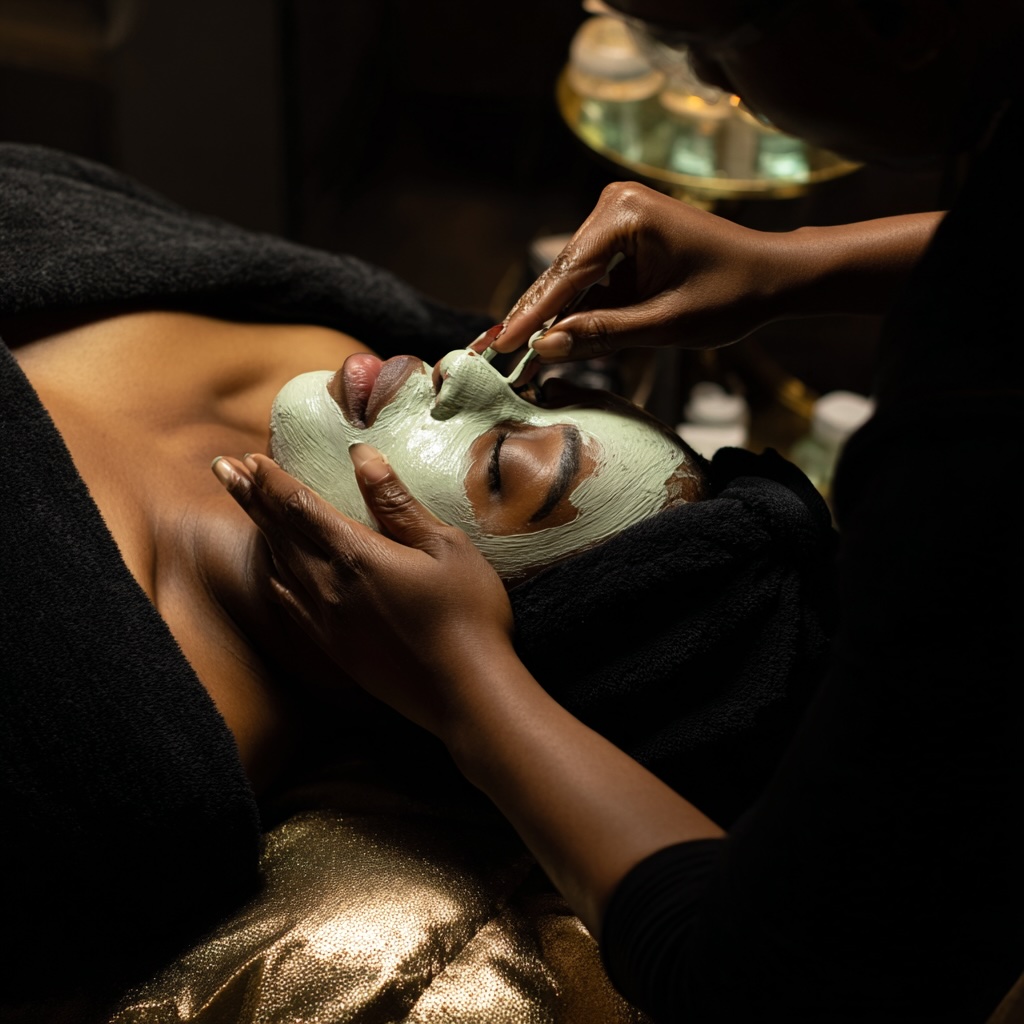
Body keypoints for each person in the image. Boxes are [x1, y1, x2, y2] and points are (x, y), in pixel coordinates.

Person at [222, 1, 1024, 1022]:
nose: (469, 362)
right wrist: (801, 262)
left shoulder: (976, 471)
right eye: (544, 396)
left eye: (711, 44)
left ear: (895, 21)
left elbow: (786, 987)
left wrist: (466, 682)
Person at [0, 141, 836, 1012]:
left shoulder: (112, 752)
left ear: (452, 630)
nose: (467, 367)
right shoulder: (328, 340)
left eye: (507, 462)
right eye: (545, 394)